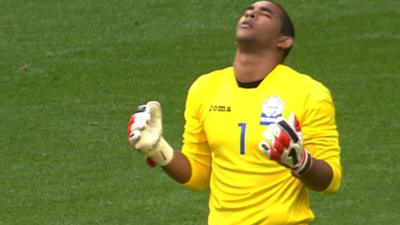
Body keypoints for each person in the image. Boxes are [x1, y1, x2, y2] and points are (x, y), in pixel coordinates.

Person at [127, 1, 342, 224]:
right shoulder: (205, 88)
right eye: (248, 10)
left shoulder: (309, 93)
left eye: (265, 14)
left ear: (284, 40)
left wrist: (302, 163)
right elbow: (198, 173)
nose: (251, 13)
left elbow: (331, 181)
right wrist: (157, 149)